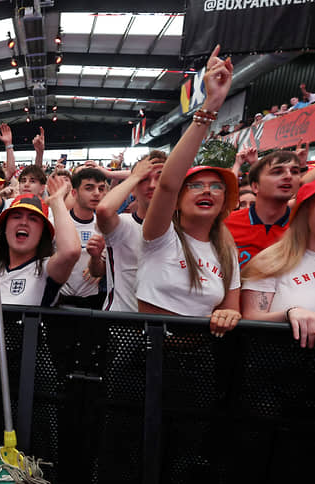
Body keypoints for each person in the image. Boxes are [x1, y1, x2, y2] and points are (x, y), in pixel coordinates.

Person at [136, 45, 241, 336]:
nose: (207, 191)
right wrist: (210, 106)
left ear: (225, 201)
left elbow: (232, 308)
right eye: (195, 185)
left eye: (217, 187)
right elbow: (168, 183)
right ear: (178, 200)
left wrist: (228, 315)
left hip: (199, 360)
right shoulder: (160, 236)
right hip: (145, 354)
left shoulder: (226, 251)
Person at [0, 177, 80, 305]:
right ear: (5, 228)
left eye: (33, 219)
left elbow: (70, 252)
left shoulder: (45, 270)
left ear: (43, 233)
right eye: (16, 217)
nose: (23, 222)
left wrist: (56, 201)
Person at [241, 181, 315, 348]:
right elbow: (251, 318)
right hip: (283, 361)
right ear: (305, 212)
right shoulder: (272, 261)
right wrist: (290, 313)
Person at [95, 152, 166, 312]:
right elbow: (104, 210)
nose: (152, 185)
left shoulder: (181, 229)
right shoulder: (122, 224)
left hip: (163, 325)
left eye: (160, 178)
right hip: (120, 323)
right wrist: (134, 176)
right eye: (144, 179)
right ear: (132, 189)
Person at [225, 150, 303, 266]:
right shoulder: (225, 224)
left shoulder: (305, 228)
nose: (288, 176)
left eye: (295, 172)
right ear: (255, 186)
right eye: (277, 172)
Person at [57, 167, 108, 308]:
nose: (97, 193)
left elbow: (104, 266)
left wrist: (98, 266)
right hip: (59, 299)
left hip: (92, 300)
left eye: (101, 188)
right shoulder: (58, 221)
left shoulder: (106, 227)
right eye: (89, 188)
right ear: (74, 192)